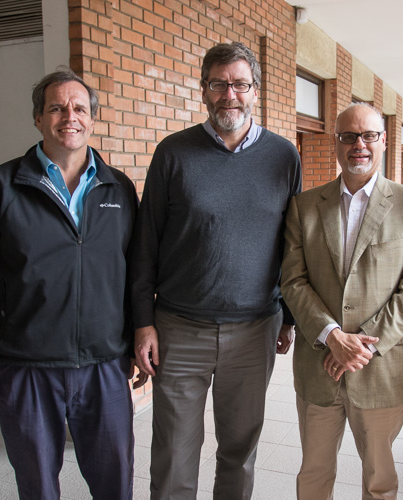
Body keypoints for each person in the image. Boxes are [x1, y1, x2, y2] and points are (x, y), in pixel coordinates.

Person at [0, 68, 140, 500]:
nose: (68, 116)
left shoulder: (120, 189)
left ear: (92, 119)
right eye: (56, 107)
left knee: (116, 481)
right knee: (36, 486)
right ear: (38, 118)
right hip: (23, 366)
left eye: (79, 108)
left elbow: (136, 275)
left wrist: (136, 339)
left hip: (104, 366)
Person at [130, 41, 302, 500]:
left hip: (254, 329)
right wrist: (143, 322)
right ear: (204, 90)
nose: (231, 95)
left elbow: (293, 243)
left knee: (240, 449)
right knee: (173, 452)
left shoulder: (284, 156)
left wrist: (287, 315)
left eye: (241, 84)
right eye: (219, 84)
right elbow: (146, 243)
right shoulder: (173, 153)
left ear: (256, 90)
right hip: (179, 328)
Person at [281, 103, 403, 500]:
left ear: (384, 141)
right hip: (320, 364)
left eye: (368, 135)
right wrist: (332, 335)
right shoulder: (305, 206)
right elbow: (293, 280)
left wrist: (362, 344)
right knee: (313, 474)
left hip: (381, 367)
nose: (359, 145)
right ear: (336, 142)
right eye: (348, 136)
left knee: (379, 481)